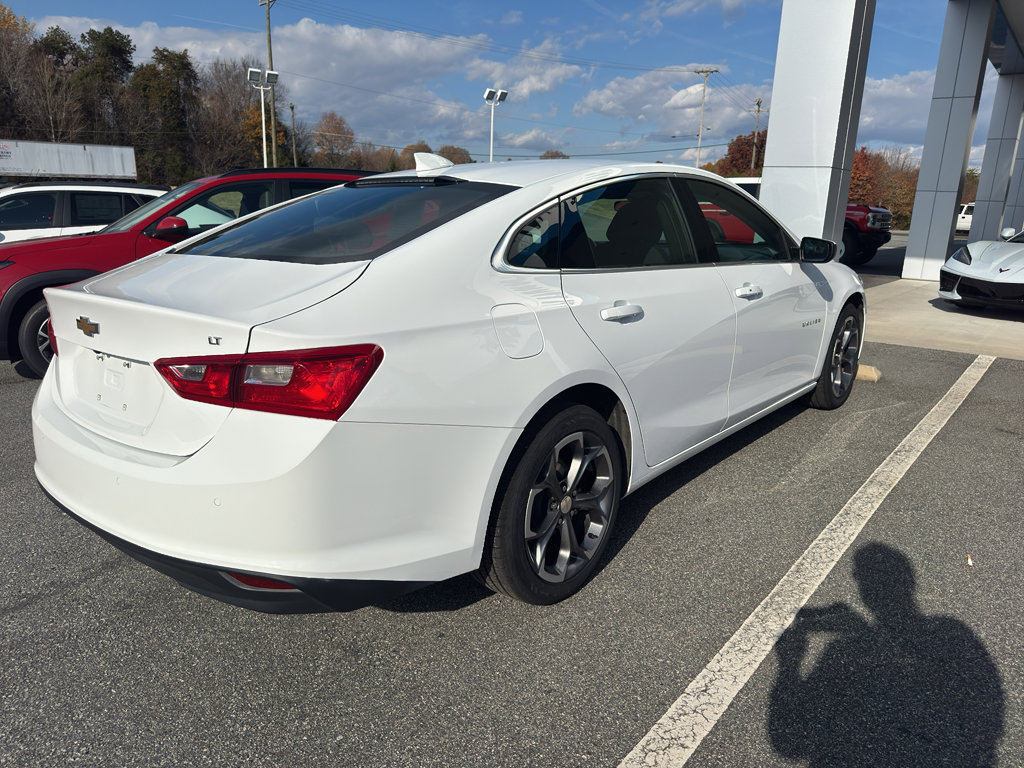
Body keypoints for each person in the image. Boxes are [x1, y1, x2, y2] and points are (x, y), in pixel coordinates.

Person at [769, 542, 1004, 766]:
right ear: (910, 582)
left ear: (864, 590)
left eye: (859, 577)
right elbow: (987, 720)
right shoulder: (953, 633)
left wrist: (789, 664)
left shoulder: (843, 653)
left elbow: (790, 744)